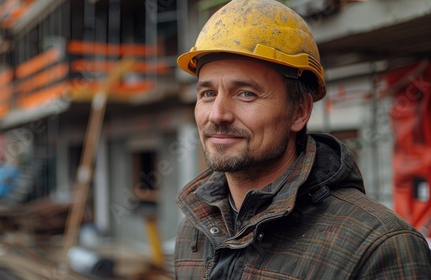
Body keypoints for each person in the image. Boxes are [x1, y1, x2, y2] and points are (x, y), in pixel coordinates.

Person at [174, 0, 431, 279]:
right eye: (207, 94)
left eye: (246, 93)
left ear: (299, 111)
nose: (217, 115)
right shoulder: (195, 229)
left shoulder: (377, 247)